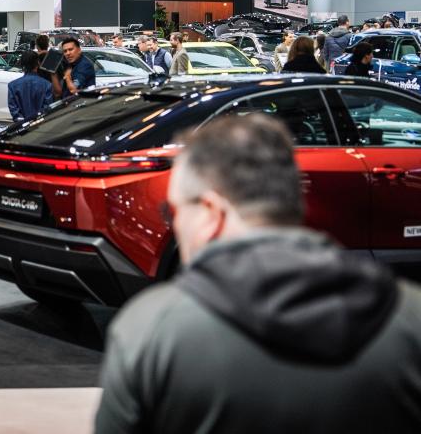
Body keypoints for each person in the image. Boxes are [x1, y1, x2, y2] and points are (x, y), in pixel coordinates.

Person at [95, 114, 421, 434]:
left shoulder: (152, 331)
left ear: (210, 212)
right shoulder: (408, 319)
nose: (175, 222)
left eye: (174, 211)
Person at [8, 51, 53, 121]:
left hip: (22, 125)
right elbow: (47, 109)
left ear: (22, 64)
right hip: (42, 124)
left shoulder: (12, 86)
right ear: (38, 63)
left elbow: (14, 111)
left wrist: (25, 122)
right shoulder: (47, 85)